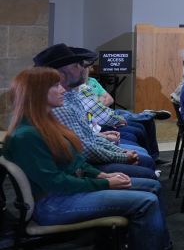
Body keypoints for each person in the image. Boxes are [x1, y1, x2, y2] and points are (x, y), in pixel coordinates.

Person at [3, 67, 183, 250]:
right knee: (145, 201)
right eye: (55, 86)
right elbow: (57, 183)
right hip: (53, 204)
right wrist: (105, 184)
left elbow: (75, 162)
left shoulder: (45, 123)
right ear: (38, 93)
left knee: (153, 186)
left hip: (66, 193)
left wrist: (101, 175)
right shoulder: (27, 135)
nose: (62, 89)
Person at [33, 44, 158, 179]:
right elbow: (84, 149)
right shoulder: (59, 106)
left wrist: (119, 151)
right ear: (60, 74)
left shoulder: (71, 96)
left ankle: (145, 116)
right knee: (141, 150)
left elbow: (87, 136)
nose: (83, 69)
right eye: (77, 65)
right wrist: (121, 156)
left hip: (85, 162)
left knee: (138, 140)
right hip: (81, 169)